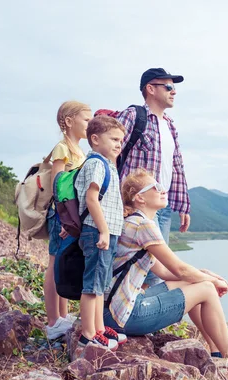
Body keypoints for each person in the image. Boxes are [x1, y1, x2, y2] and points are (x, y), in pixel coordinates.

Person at [103, 169, 228, 372]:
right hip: (124, 315)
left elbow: (164, 271)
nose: (162, 190)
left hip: (114, 310)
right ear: (140, 198)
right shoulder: (142, 225)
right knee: (205, 288)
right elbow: (179, 269)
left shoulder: (135, 221)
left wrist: (204, 273)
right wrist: (213, 281)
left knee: (196, 283)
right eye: (156, 187)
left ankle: (217, 347)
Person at [116, 68, 191, 288]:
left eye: (174, 88)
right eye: (168, 87)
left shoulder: (170, 125)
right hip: (138, 205)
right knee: (145, 268)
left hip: (162, 206)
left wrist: (183, 205)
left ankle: (140, 314)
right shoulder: (133, 116)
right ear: (150, 88)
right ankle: (129, 314)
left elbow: (176, 166)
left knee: (156, 269)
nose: (173, 92)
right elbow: (110, 152)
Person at [74, 115, 127, 350]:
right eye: (113, 139)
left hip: (106, 232)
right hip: (97, 231)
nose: (118, 144)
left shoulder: (108, 164)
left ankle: (99, 329)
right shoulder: (96, 163)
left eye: (120, 140)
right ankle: (88, 334)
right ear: (95, 139)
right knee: (93, 284)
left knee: (101, 285)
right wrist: (104, 231)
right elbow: (92, 199)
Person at [44, 101, 90, 340]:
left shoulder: (78, 149)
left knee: (62, 262)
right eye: (86, 119)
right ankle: (53, 322)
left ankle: (62, 316)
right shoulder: (63, 148)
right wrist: (65, 218)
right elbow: (57, 185)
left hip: (69, 215)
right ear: (69, 121)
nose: (89, 124)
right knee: (54, 264)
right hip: (62, 214)